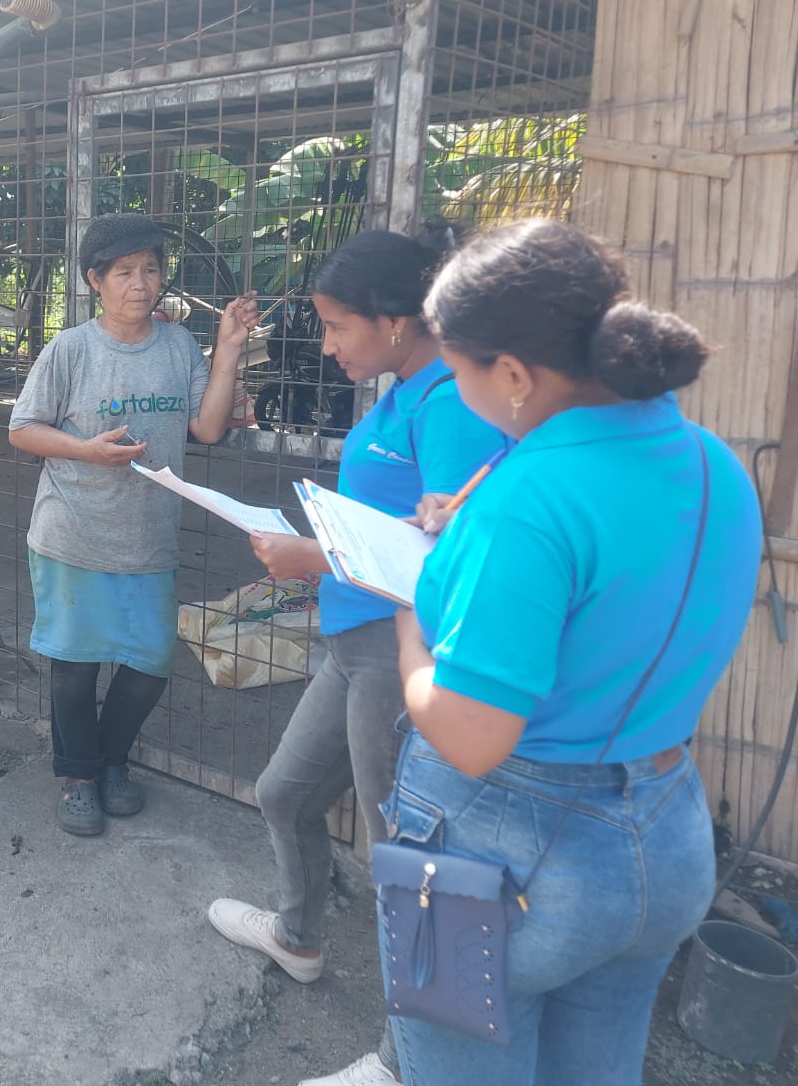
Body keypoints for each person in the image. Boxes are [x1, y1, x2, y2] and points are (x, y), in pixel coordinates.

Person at [385, 219, 760, 1084]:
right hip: (664, 832)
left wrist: (411, 628)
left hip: (512, 849)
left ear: (514, 374)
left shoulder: (530, 497)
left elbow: (472, 736)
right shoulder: (710, 461)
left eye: (459, 370)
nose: (455, 389)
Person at [206, 224, 508, 1086]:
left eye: (339, 325)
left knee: (405, 858)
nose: (329, 344)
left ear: (396, 320)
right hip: (351, 641)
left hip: (396, 651)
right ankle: (298, 936)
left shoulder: (448, 402)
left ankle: (409, 1059)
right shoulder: (404, 390)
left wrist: (314, 556)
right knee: (284, 793)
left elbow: (449, 557)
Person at [9, 212, 259, 836]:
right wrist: (86, 451)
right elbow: (22, 429)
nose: (140, 283)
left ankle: (111, 757)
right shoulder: (71, 350)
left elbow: (207, 427)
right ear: (95, 280)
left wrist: (228, 347)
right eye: (123, 272)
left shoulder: (178, 347)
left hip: (149, 536)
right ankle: (80, 776)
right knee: (75, 664)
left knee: (149, 664)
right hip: (73, 530)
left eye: (150, 269)